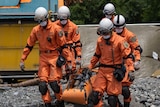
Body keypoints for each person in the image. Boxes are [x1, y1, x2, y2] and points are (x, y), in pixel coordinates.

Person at [19, 7, 72, 107]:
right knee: (42, 85)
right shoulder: (36, 30)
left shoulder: (56, 29)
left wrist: (68, 61)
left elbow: (64, 46)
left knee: (54, 83)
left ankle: (60, 101)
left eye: (42, 20)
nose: (40, 22)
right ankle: (47, 103)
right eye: (39, 21)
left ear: (46, 18)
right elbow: (29, 45)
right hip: (43, 57)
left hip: (54, 56)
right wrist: (23, 59)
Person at [87, 18, 134, 107]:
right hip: (102, 71)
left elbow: (127, 56)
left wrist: (131, 69)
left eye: (106, 32)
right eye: (102, 32)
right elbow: (97, 55)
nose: (104, 35)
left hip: (114, 72)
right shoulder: (100, 41)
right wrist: (90, 66)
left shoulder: (120, 41)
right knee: (95, 95)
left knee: (112, 98)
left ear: (112, 30)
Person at [113, 14, 143, 107]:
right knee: (112, 91)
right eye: (116, 28)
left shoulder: (130, 35)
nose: (118, 30)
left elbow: (137, 48)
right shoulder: (111, 35)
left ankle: (126, 104)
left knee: (125, 89)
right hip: (113, 64)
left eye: (119, 28)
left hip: (126, 63)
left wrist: (137, 60)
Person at [53, 6, 82, 78]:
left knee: (72, 68)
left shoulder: (73, 27)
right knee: (55, 68)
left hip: (69, 50)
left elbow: (77, 42)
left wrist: (79, 56)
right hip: (57, 50)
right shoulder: (54, 26)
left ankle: (71, 86)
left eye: (64, 19)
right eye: (61, 19)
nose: (63, 21)